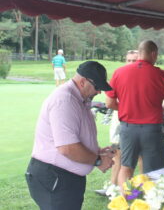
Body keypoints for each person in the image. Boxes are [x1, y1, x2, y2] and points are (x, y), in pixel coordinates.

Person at [26, 61, 115, 210]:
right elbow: (67, 148)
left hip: (64, 178)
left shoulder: (80, 98)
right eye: (97, 87)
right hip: (55, 177)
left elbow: (75, 136)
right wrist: (98, 160)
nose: (99, 92)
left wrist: (96, 151)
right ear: (82, 82)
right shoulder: (65, 100)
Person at [105, 40, 164, 192]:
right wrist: (153, 109)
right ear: (154, 54)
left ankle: (126, 202)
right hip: (153, 130)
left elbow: (109, 103)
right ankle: (150, 203)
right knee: (153, 171)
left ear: (139, 53)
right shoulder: (162, 75)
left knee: (126, 167)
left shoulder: (119, 72)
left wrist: (125, 107)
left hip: (127, 128)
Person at [96, 50, 143, 196]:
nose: (131, 63)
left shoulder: (145, 78)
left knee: (141, 157)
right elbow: (110, 101)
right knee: (117, 155)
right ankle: (112, 187)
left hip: (140, 124)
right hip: (119, 123)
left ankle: (140, 188)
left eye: (134, 60)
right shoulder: (120, 76)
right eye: (128, 60)